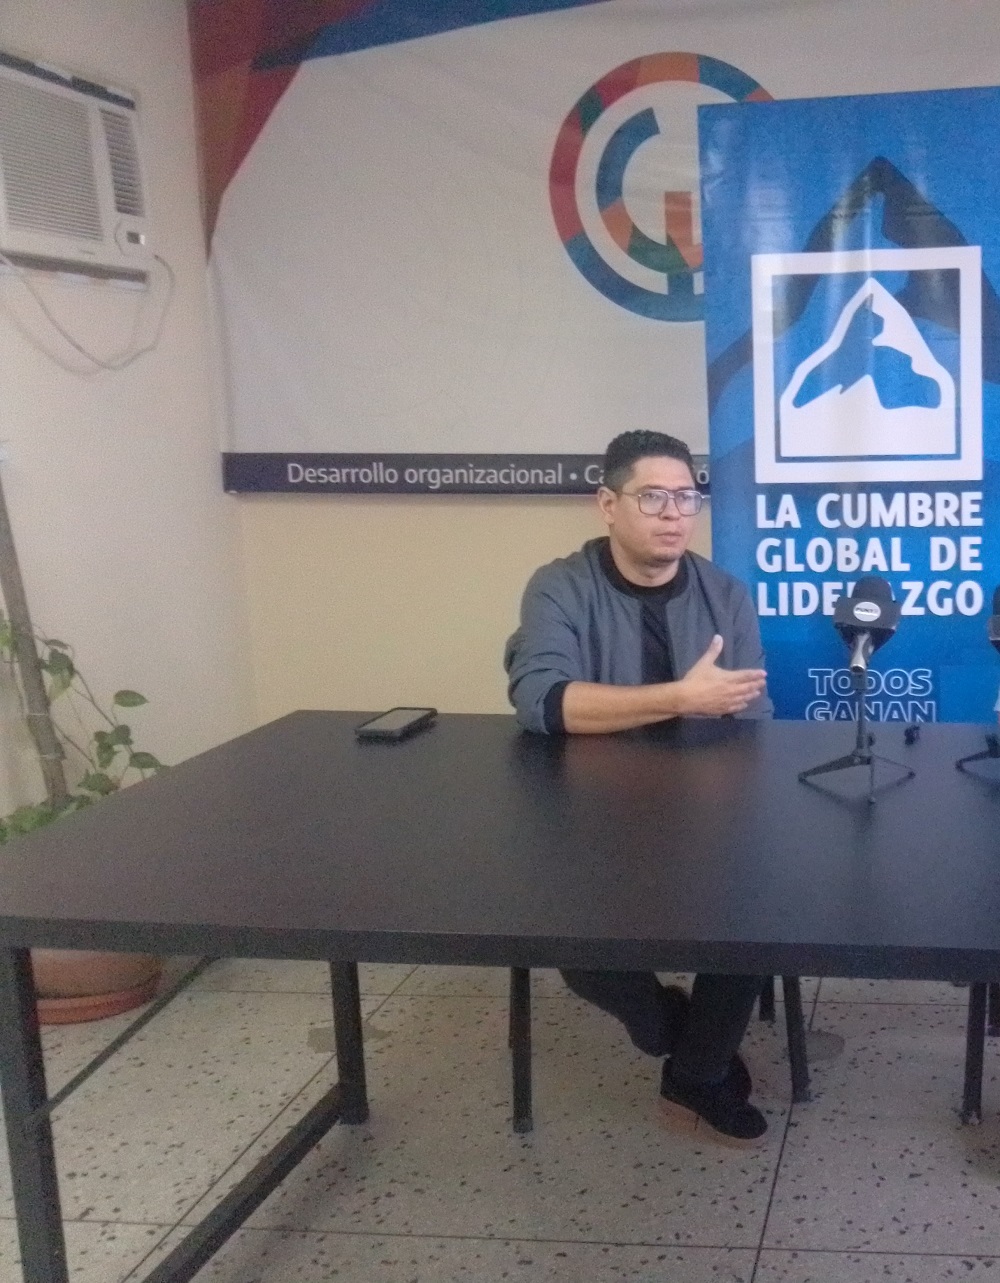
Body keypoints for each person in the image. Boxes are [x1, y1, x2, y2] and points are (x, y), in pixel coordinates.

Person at [504, 429, 773, 1145]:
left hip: (708, 812)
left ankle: (695, 1076)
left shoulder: (725, 594)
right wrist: (681, 698)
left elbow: (753, 724)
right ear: (607, 504)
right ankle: (678, 1032)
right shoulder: (560, 586)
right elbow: (544, 702)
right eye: (653, 497)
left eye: (686, 497)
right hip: (592, 812)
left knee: (758, 916)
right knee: (582, 952)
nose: (673, 513)